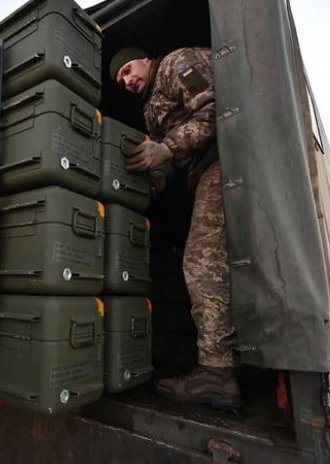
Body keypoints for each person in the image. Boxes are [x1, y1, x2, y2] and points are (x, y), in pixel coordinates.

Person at [110, 46, 240, 408]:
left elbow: (216, 110)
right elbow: (166, 160)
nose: (127, 80)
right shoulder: (150, 110)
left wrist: (166, 148)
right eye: (120, 79)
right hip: (203, 170)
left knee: (201, 263)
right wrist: (151, 180)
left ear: (145, 59)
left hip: (227, 157)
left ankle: (217, 374)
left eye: (128, 69)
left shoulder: (175, 64)